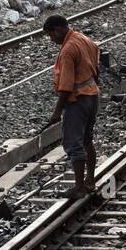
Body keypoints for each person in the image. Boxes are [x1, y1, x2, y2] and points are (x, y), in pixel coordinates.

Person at [44, 14, 101, 199]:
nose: (52, 40)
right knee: (87, 140)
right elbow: (96, 68)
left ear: (58, 30)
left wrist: (57, 111)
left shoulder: (68, 49)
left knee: (73, 144)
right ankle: (90, 181)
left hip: (77, 101)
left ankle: (79, 188)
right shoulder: (85, 39)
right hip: (92, 96)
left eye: (51, 36)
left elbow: (66, 85)